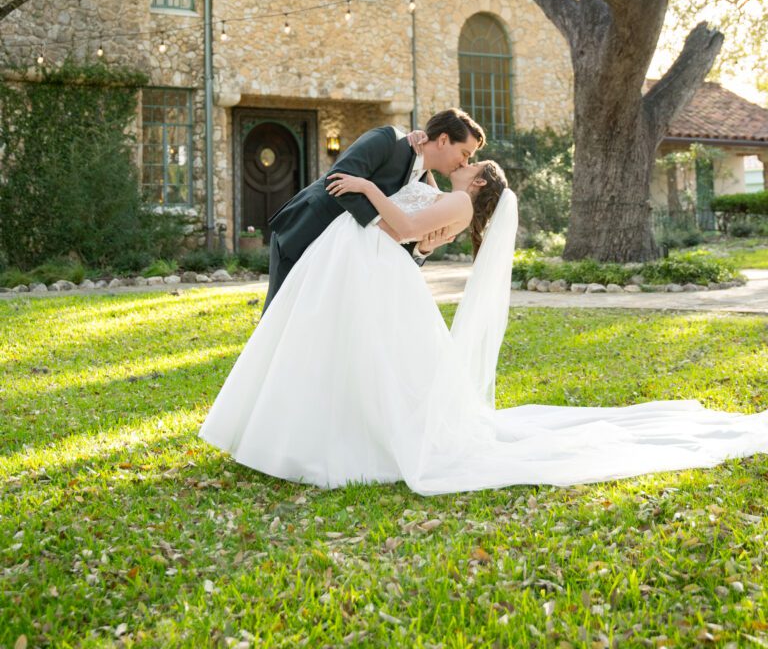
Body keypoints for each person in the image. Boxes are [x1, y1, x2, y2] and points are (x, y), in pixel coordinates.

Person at [199, 161, 768, 496]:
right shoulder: (449, 195)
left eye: (471, 163)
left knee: (383, 366)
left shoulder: (459, 203)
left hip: (383, 270)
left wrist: (368, 191)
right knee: (374, 361)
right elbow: (418, 231)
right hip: (379, 277)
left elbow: (401, 229)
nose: (465, 160)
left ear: (479, 183)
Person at [262, 107, 484, 310]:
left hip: (341, 260)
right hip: (306, 229)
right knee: (280, 314)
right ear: (444, 140)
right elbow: (336, 179)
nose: (464, 163)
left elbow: (402, 230)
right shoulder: (388, 141)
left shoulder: (425, 181)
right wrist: (382, 224)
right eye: (465, 153)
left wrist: (421, 249)